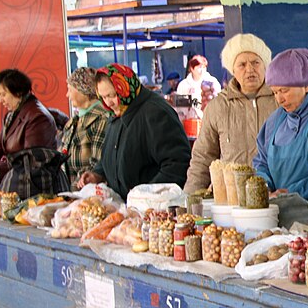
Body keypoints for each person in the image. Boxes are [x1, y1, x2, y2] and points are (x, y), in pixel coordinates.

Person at [78, 63, 191, 199]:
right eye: (103, 97)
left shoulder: (155, 112)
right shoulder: (118, 112)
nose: (108, 103)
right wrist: (98, 173)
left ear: (125, 88)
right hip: (126, 209)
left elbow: (177, 164)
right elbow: (114, 152)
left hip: (153, 210)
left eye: (112, 95)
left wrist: (145, 197)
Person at [183, 34, 278, 193]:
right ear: (232, 69)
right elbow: (202, 158)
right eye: (242, 64)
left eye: (256, 62)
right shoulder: (218, 107)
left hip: (275, 196)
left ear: (265, 65)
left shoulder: (280, 100)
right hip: (231, 200)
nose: (250, 69)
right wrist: (189, 199)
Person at [253, 48, 308, 201]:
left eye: (284, 90)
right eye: (275, 92)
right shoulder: (274, 121)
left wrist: (290, 194)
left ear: (306, 85)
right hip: (276, 211)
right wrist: (263, 186)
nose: (279, 99)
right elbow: (261, 161)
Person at [0, 69, 67, 198]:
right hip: (18, 184)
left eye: (3, 95)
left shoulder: (38, 117)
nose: (0, 101)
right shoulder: (11, 115)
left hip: (37, 188)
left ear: (17, 92)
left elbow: (29, 159)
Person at [60, 67, 111, 189]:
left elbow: (97, 166)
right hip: (71, 195)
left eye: (70, 90)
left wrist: (73, 191)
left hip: (88, 195)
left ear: (83, 90)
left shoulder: (101, 119)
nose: (67, 95)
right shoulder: (75, 120)